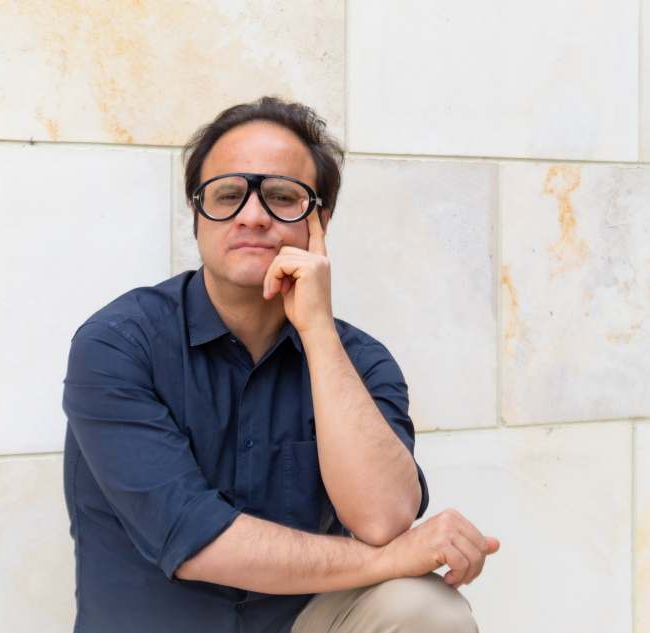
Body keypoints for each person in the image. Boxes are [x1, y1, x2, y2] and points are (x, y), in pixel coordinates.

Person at [62, 96, 500, 633]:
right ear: (196, 214)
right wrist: (391, 559)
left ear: (320, 221)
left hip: (298, 624)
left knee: (426, 609)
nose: (252, 216)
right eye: (227, 195)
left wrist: (318, 332)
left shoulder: (359, 361)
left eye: (281, 197)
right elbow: (193, 539)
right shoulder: (118, 345)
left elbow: (384, 518)